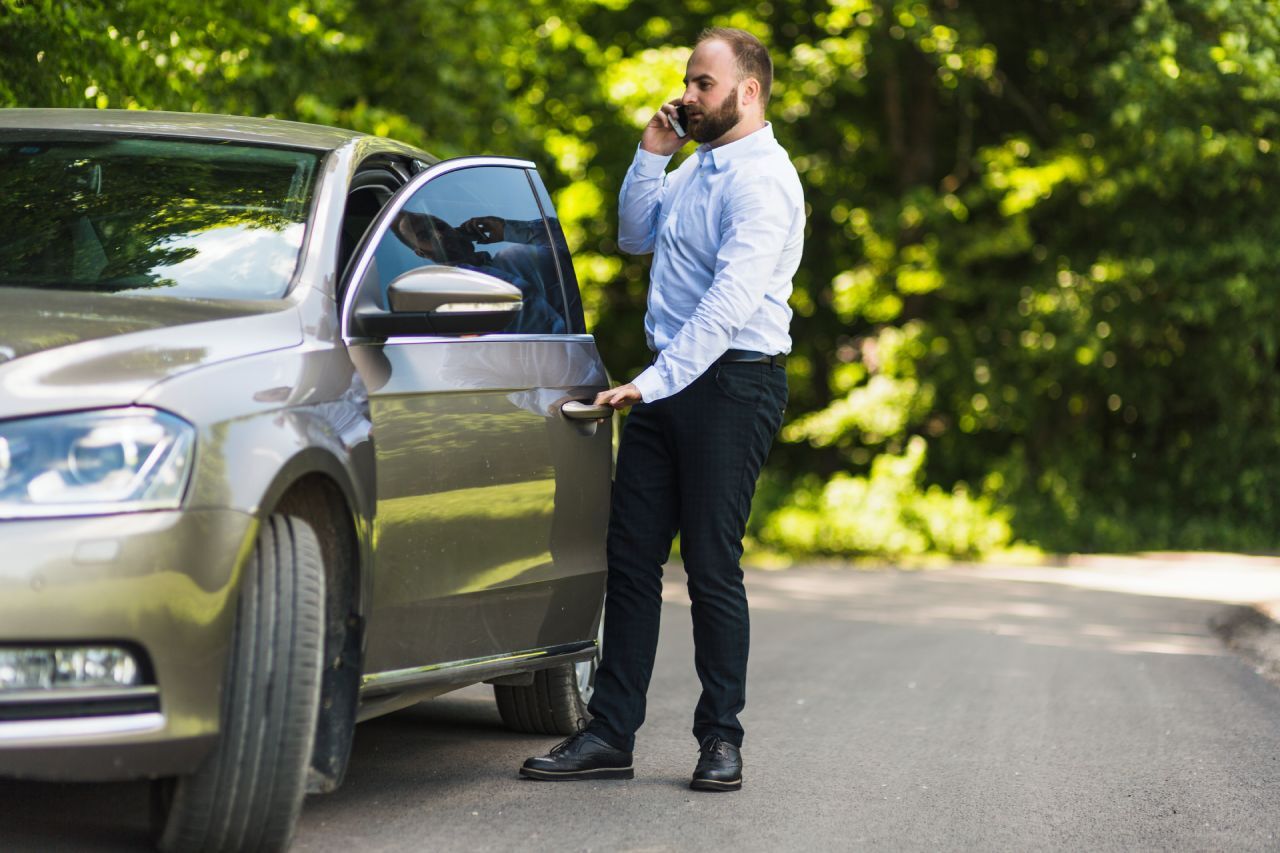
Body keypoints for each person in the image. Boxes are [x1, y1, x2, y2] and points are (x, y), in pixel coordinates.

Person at [519, 26, 804, 792]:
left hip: (733, 383)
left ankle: (721, 739)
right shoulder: (694, 167)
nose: (686, 95)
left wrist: (654, 379)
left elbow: (731, 302)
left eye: (702, 84)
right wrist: (651, 154)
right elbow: (634, 236)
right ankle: (610, 733)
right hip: (668, 381)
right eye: (686, 81)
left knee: (711, 564)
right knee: (632, 559)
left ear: (748, 92)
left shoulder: (763, 181)